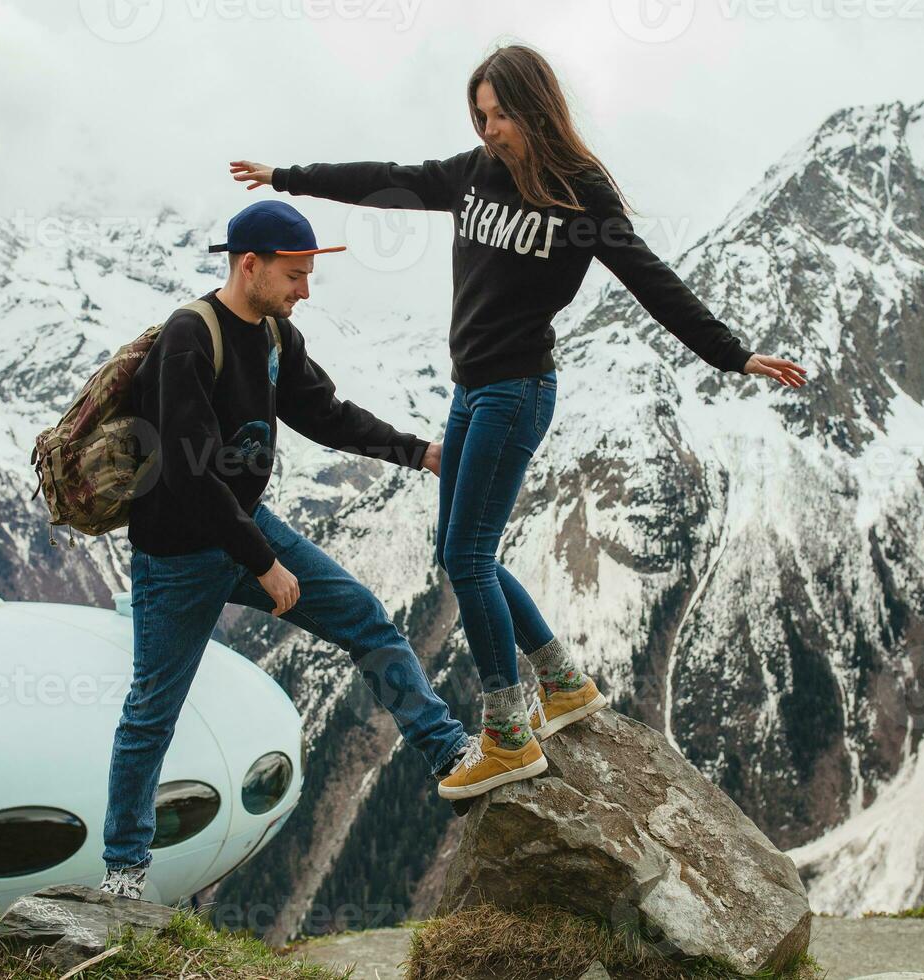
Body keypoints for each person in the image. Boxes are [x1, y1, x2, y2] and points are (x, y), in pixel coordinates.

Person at [230, 43, 807, 801]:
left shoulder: (579, 192)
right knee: (460, 550)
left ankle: (507, 734)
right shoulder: (474, 175)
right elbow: (388, 181)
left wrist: (732, 354)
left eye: (501, 114)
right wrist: (287, 178)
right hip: (471, 392)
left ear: (537, 108)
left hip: (517, 393)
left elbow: (650, 279)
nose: (490, 128)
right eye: (480, 115)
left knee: (467, 559)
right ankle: (562, 685)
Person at [99, 200, 471, 900]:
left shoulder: (273, 336)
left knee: (364, 617)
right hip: (177, 555)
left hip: (245, 526)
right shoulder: (190, 336)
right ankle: (123, 869)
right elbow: (187, 470)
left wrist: (417, 452)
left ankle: (448, 750)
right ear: (251, 265)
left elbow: (325, 415)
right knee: (153, 707)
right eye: (296, 275)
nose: (305, 290)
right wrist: (263, 562)